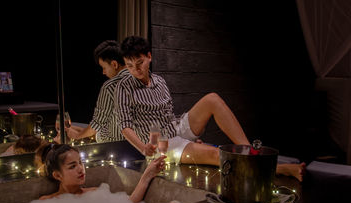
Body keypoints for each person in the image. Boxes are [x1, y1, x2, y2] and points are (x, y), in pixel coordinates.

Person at [114, 36, 305, 182]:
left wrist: (191, 135)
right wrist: (143, 148)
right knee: (216, 154)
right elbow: (125, 126)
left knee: (212, 99)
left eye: (139, 63)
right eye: (130, 66)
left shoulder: (160, 82)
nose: (136, 70)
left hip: (176, 129)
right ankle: (281, 169)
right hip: (160, 145)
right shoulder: (123, 87)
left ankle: (249, 151)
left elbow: (169, 115)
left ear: (149, 57)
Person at [37, 143, 181, 203]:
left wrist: (147, 175)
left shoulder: (94, 193)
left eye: (80, 163)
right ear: (57, 175)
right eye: (72, 166)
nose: (81, 169)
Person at [65, 40, 130, 143]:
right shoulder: (141, 80)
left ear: (114, 64)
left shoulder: (111, 86)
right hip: (136, 142)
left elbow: (97, 123)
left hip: (114, 144)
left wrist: (78, 136)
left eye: (104, 67)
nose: (103, 72)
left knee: (70, 134)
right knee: (75, 128)